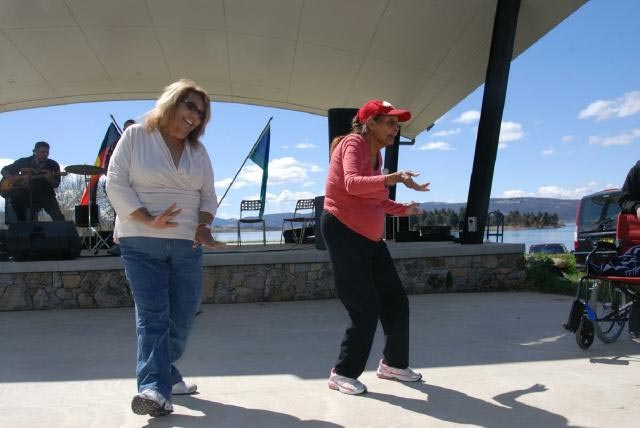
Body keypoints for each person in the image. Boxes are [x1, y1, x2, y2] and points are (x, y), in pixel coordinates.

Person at [106, 79, 223, 417]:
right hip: (140, 243)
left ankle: (166, 373)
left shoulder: (198, 152)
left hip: (187, 244)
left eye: (201, 113)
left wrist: (203, 227)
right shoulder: (136, 137)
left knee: (185, 313)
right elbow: (115, 182)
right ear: (172, 102)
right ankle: (153, 390)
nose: (195, 117)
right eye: (190, 106)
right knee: (153, 316)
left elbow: (208, 195)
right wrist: (147, 218)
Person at [321, 99, 430, 395]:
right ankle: (342, 373)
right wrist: (393, 178)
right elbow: (353, 184)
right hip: (343, 231)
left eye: (398, 124)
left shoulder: (377, 157)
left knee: (396, 300)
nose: (396, 128)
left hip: (370, 239)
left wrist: (404, 209)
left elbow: (377, 199)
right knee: (365, 306)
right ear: (370, 123)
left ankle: (393, 364)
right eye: (390, 122)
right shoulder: (353, 144)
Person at [1, 141, 65, 222]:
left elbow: (56, 184)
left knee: (58, 217)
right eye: (43, 152)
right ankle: (22, 226)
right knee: (15, 198)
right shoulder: (24, 161)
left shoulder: (53, 164)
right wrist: (12, 179)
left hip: (45, 194)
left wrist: (51, 179)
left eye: (47, 152)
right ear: (35, 151)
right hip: (25, 194)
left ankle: (62, 231)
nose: (45, 154)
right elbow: (4, 170)